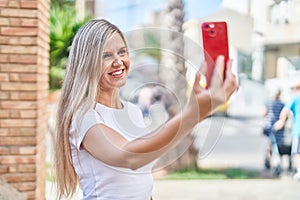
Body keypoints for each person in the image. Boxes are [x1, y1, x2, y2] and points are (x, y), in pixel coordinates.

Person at [53, 19, 238, 199]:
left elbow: (140, 178)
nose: (118, 61)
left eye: (122, 52)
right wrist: (193, 114)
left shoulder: (133, 111)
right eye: (106, 55)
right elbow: (130, 157)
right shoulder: (84, 116)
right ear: (87, 62)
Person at [274, 82, 300, 180]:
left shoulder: (295, 98)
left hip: (298, 130)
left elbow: (285, 110)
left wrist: (281, 121)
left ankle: (299, 171)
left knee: (297, 152)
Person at [262, 90, 287, 175]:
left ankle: (272, 163)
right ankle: (279, 164)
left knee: (271, 145)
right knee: (279, 146)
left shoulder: (269, 103)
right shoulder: (282, 104)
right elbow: (285, 116)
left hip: (270, 127)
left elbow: (263, 113)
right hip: (280, 128)